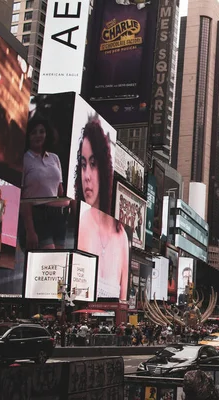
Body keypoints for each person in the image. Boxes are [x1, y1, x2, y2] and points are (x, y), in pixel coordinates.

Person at [76, 117, 128, 301]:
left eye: (93, 164)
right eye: (83, 165)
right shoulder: (81, 223)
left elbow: (123, 301)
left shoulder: (122, 234)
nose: (87, 176)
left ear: (104, 169)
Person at [20, 117, 69, 250]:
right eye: (33, 132)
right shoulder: (24, 160)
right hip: (37, 215)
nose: (38, 135)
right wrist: (30, 230)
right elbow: (22, 197)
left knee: (58, 258)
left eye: (41, 131)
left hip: (57, 215)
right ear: (28, 136)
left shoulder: (54, 158)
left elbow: (60, 190)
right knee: (48, 255)